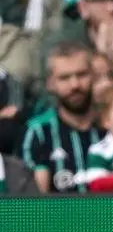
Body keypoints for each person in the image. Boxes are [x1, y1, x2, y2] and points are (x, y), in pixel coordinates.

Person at [21, 40, 101, 193]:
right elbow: (34, 204)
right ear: (50, 84)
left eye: (82, 74)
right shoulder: (38, 133)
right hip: (61, 217)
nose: (75, 85)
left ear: (94, 76)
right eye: (64, 78)